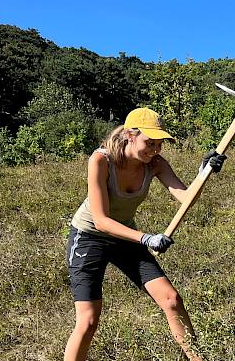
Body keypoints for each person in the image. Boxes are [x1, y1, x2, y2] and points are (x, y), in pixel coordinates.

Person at [64, 107, 226, 361]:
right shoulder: (101, 160)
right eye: (150, 142)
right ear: (130, 135)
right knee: (88, 320)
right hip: (89, 237)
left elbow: (184, 198)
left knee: (172, 300)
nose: (155, 150)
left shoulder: (156, 164)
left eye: (160, 143)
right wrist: (147, 238)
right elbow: (101, 221)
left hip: (125, 237)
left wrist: (203, 173)